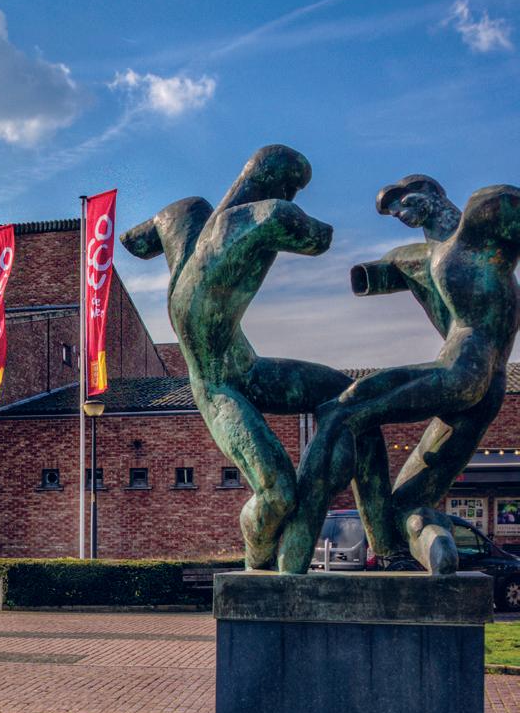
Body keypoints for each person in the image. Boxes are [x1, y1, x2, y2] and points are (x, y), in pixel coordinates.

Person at [122, 145, 391, 569]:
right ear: (281, 184)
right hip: (217, 387)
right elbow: (316, 238)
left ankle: (387, 545)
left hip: (250, 369)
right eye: (295, 188)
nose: (295, 196)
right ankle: (259, 563)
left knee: (355, 399)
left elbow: (135, 242)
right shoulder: (266, 215)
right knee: (277, 493)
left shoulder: (186, 216)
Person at [277, 177, 520, 574]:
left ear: (434, 193)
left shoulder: (482, 219)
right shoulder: (418, 258)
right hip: (489, 389)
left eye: (404, 201)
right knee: (407, 503)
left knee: (343, 410)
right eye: (393, 211)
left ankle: (295, 551)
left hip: (462, 368)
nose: (400, 213)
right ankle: (430, 546)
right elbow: (370, 276)